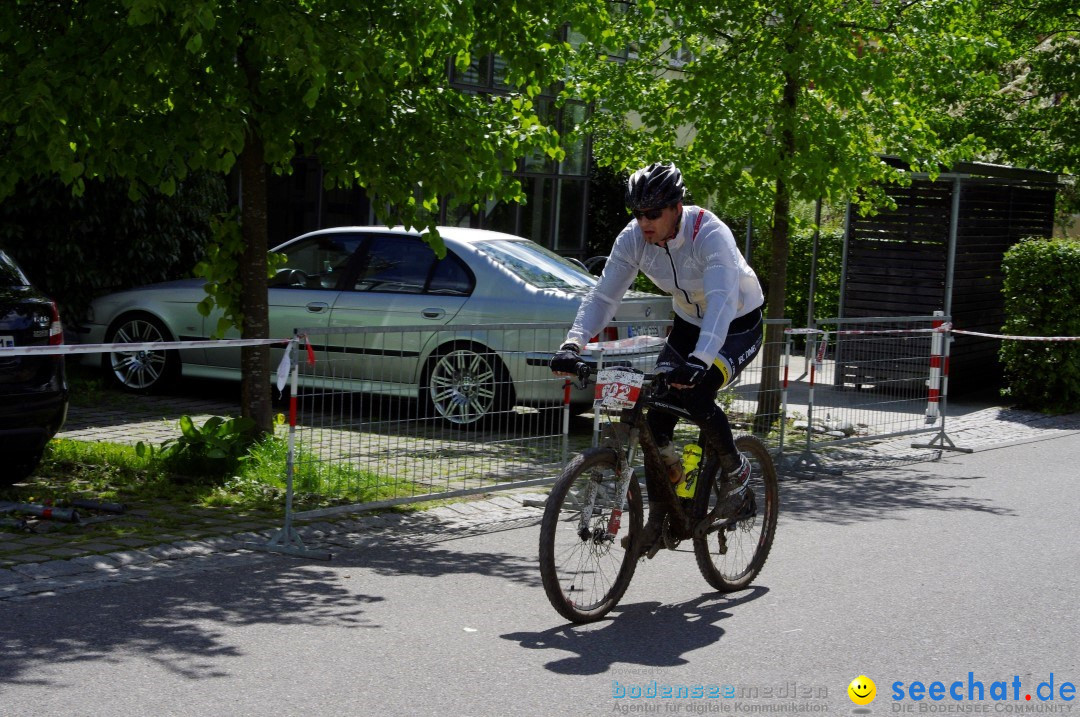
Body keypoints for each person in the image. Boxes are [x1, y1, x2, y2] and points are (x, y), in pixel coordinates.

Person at [550, 161, 765, 555]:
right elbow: (604, 296)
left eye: (653, 214)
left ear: (676, 208)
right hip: (687, 324)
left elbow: (720, 302)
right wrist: (573, 343)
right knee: (657, 415)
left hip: (736, 323)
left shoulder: (710, 234)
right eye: (638, 213)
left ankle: (738, 472)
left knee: (697, 395)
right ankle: (665, 510)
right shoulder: (633, 239)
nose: (644, 222)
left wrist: (701, 360)